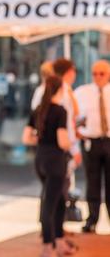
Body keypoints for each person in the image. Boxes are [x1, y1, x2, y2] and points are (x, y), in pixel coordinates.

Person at [22, 76, 75, 257]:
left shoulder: (38, 110)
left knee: (59, 199)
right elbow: (62, 141)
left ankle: (59, 242)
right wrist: (70, 144)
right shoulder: (60, 111)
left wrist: (42, 139)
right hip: (55, 161)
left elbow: (26, 138)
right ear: (60, 90)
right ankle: (47, 246)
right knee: (50, 204)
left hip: (41, 159)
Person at [74, 60, 110, 233]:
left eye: (101, 73)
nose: (98, 77)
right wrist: (78, 131)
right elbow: (73, 115)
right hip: (91, 142)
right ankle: (92, 219)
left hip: (109, 141)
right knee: (92, 182)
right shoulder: (83, 92)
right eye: (95, 73)